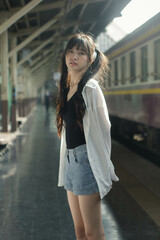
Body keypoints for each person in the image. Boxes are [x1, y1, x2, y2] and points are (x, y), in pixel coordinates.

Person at [55, 33, 119, 240]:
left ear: (90, 59)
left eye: (81, 53)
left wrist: (104, 167)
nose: (74, 56)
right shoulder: (67, 88)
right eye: (71, 51)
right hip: (71, 162)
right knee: (80, 231)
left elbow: (103, 130)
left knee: (93, 233)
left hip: (86, 163)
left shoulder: (90, 89)